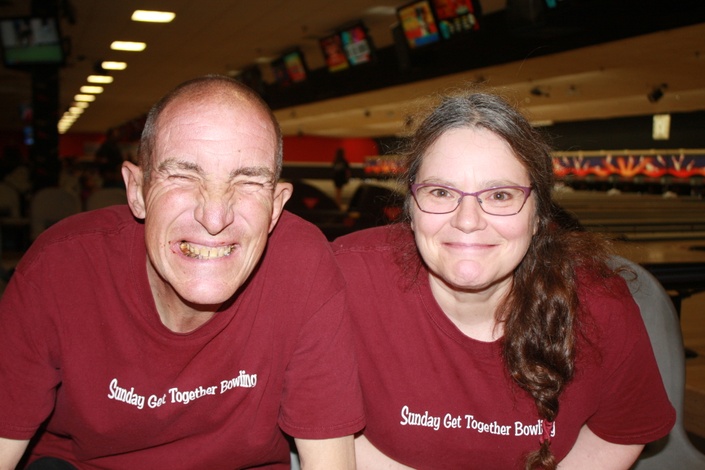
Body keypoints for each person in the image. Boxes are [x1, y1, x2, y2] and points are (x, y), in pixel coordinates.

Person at [0, 75, 364, 469]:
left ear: (276, 206)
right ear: (137, 191)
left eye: (247, 182)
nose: (213, 216)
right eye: (184, 176)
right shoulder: (60, 268)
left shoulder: (303, 265)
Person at [332, 91, 675, 469]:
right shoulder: (345, 276)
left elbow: (619, 431)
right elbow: (320, 419)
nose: (467, 220)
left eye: (499, 195)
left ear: (539, 214)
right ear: (411, 207)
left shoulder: (599, 303)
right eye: (441, 191)